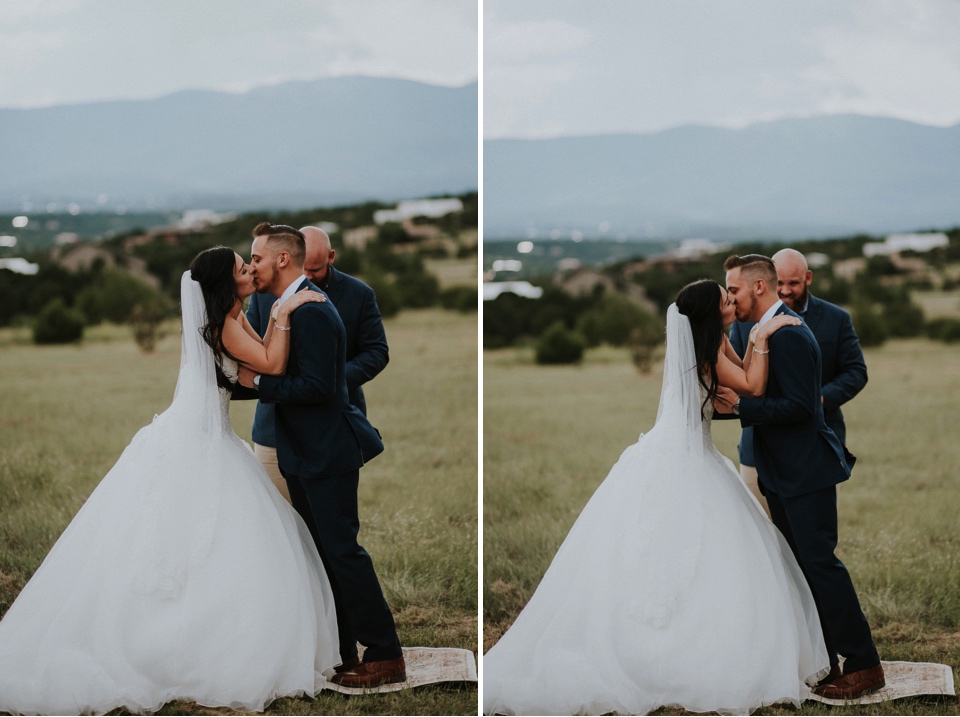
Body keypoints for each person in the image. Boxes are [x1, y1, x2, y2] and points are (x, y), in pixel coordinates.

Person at [0, 246, 340, 715]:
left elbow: (260, 361)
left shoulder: (233, 313)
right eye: (242, 268)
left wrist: (276, 316)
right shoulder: (222, 323)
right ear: (226, 282)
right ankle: (162, 644)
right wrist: (286, 310)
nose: (250, 271)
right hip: (197, 439)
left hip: (212, 434)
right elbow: (273, 363)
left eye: (249, 264)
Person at [483, 279, 830, 716]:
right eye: (726, 298)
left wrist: (751, 349)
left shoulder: (713, 340)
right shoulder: (705, 352)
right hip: (683, 458)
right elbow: (753, 386)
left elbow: (741, 377)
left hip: (691, 451)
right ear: (711, 312)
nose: (732, 300)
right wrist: (763, 336)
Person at [237, 222, 405, 688]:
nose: (252, 266)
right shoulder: (293, 304)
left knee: (343, 553)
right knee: (321, 553)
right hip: (302, 449)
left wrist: (256, 383)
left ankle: (385, 654)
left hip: (327, 450)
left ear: (282, 260)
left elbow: (316, 386)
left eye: (257, 258)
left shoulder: (310, 311)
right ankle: (343, 647)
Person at [716, 254, 883, 699]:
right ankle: (827, 658)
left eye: (734, 290)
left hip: (805, 470)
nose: (730, 298)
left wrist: (740, 408)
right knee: (800, 569)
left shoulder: (787, 334)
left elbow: (801, 407)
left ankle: (864, 664)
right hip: (780, 470)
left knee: (821, 566)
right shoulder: (763, 331)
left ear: (757, 287)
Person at [245, 225, 388, 503]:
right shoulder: (263, 295)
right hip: (273, 425)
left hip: (329, 427)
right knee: (277, 519)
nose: (306, 276)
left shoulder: (359, 294)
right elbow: (253, 350)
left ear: (331, 257)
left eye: (315, 270)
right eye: (304, 269)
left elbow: (377, 352)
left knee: (328, 525)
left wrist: (330, 380)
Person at [729, 248, 867, 517]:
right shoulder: (746, 322)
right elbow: (737, 376)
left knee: (812, 543)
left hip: (814, 450)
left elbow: (856, 371)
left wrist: (819, 399)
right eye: (779, 283)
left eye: (793, 283)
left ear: (808, 278)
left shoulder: (836, 318)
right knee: (759, 541)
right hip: (758, 451)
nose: (785, 290)